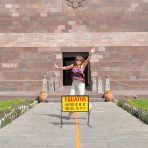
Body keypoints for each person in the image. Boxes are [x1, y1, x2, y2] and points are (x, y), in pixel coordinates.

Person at [55, 48, 96, 117]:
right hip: (74, 83)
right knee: (71, 97)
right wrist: (58, 67)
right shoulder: (73, 65)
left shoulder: (82, 66)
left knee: (81, 97)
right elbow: (66, 67)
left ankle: (90, 106)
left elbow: (88, 59)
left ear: (81, 61)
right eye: (77, 60)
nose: (78, 61)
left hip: (80, 83)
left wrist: (91, 53)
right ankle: (71, 111)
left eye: (79, 60)